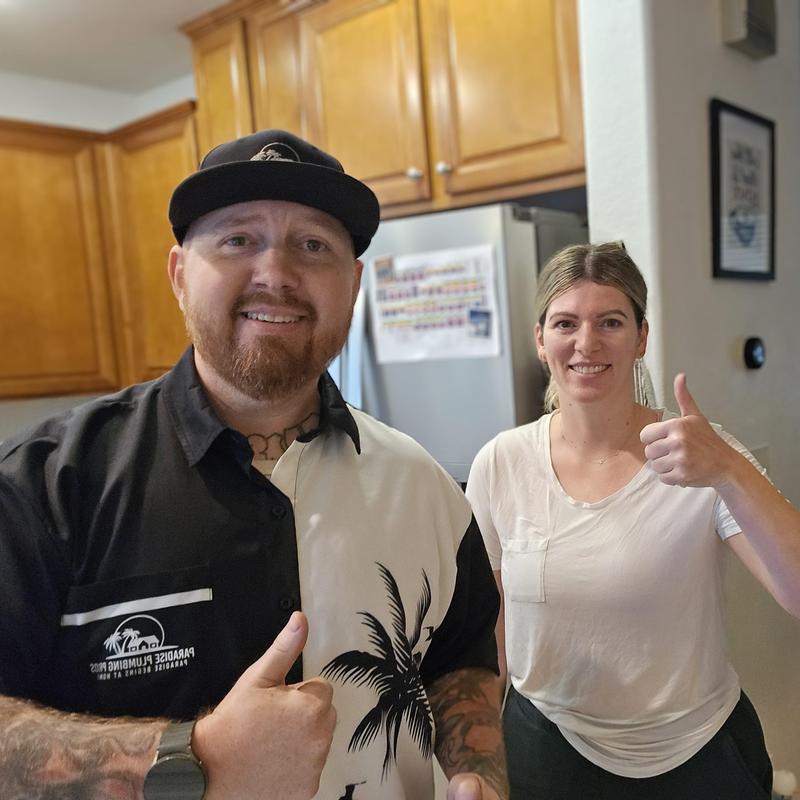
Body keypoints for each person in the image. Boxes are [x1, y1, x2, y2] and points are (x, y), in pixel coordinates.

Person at [0, 129, 509, 800]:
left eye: (313, 245)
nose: (277, 273)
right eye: (238, 240)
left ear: (352, 285)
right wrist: (191, 756)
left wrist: (480, 774)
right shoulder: (49, 486)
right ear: (181, 275)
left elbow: (459, 663)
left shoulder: (423, 485)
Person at [466, 241, 800, 799]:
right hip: (548, 750)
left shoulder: (700, 455)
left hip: (698, 751)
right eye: (565, 323)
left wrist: (730, 472)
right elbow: (488, 633)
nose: (586, 343)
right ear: (541, 340)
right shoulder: (501, 463)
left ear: (642, 338)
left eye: (611, 322)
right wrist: (477, 762)